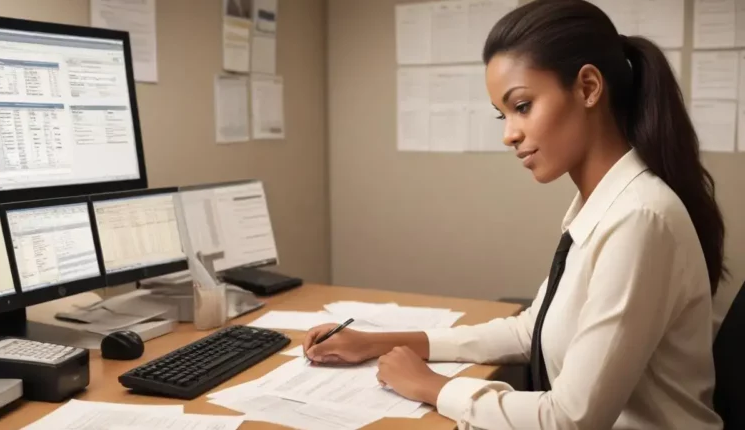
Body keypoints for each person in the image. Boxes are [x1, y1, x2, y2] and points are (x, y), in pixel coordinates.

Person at [303, 0, 727, 428]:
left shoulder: (640, 220)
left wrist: (430, 386)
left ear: (588, 88)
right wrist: (378, 342)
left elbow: (569, 419)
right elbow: (531, 331)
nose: (509, 134)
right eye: (502, 114)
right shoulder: (605, 206)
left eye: (522, 106)